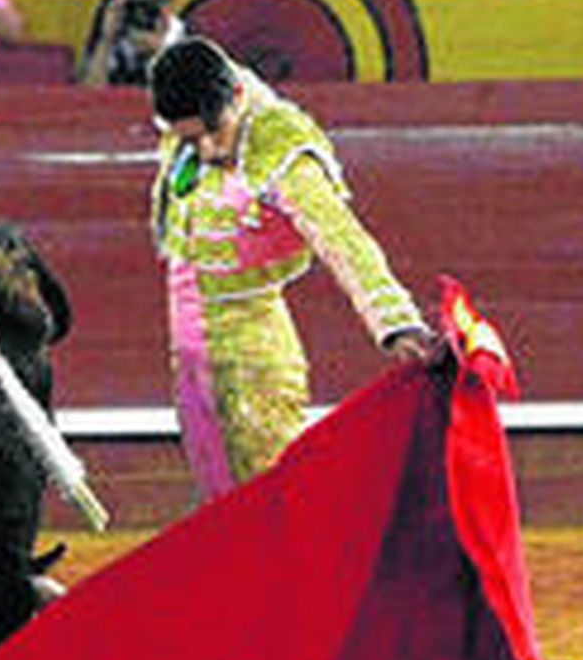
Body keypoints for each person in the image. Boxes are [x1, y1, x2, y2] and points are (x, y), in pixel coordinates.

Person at [147, 37, 433, 500]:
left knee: (272, 487)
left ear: (237, 97)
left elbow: (340, 237)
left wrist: (395, 322)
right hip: (189, 349)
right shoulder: (193, 112)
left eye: (212, 131)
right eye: (188, 138)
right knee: (219, 491)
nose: (204, 149)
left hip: (249, 346)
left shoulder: (279, 147)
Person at [78, 0, 188, 88]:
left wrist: (163, 51)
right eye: (140, 4)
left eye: (158, 2)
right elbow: (90, 90)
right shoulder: (113, 32)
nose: (148, 13)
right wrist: (106, 40)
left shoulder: (184, 37)